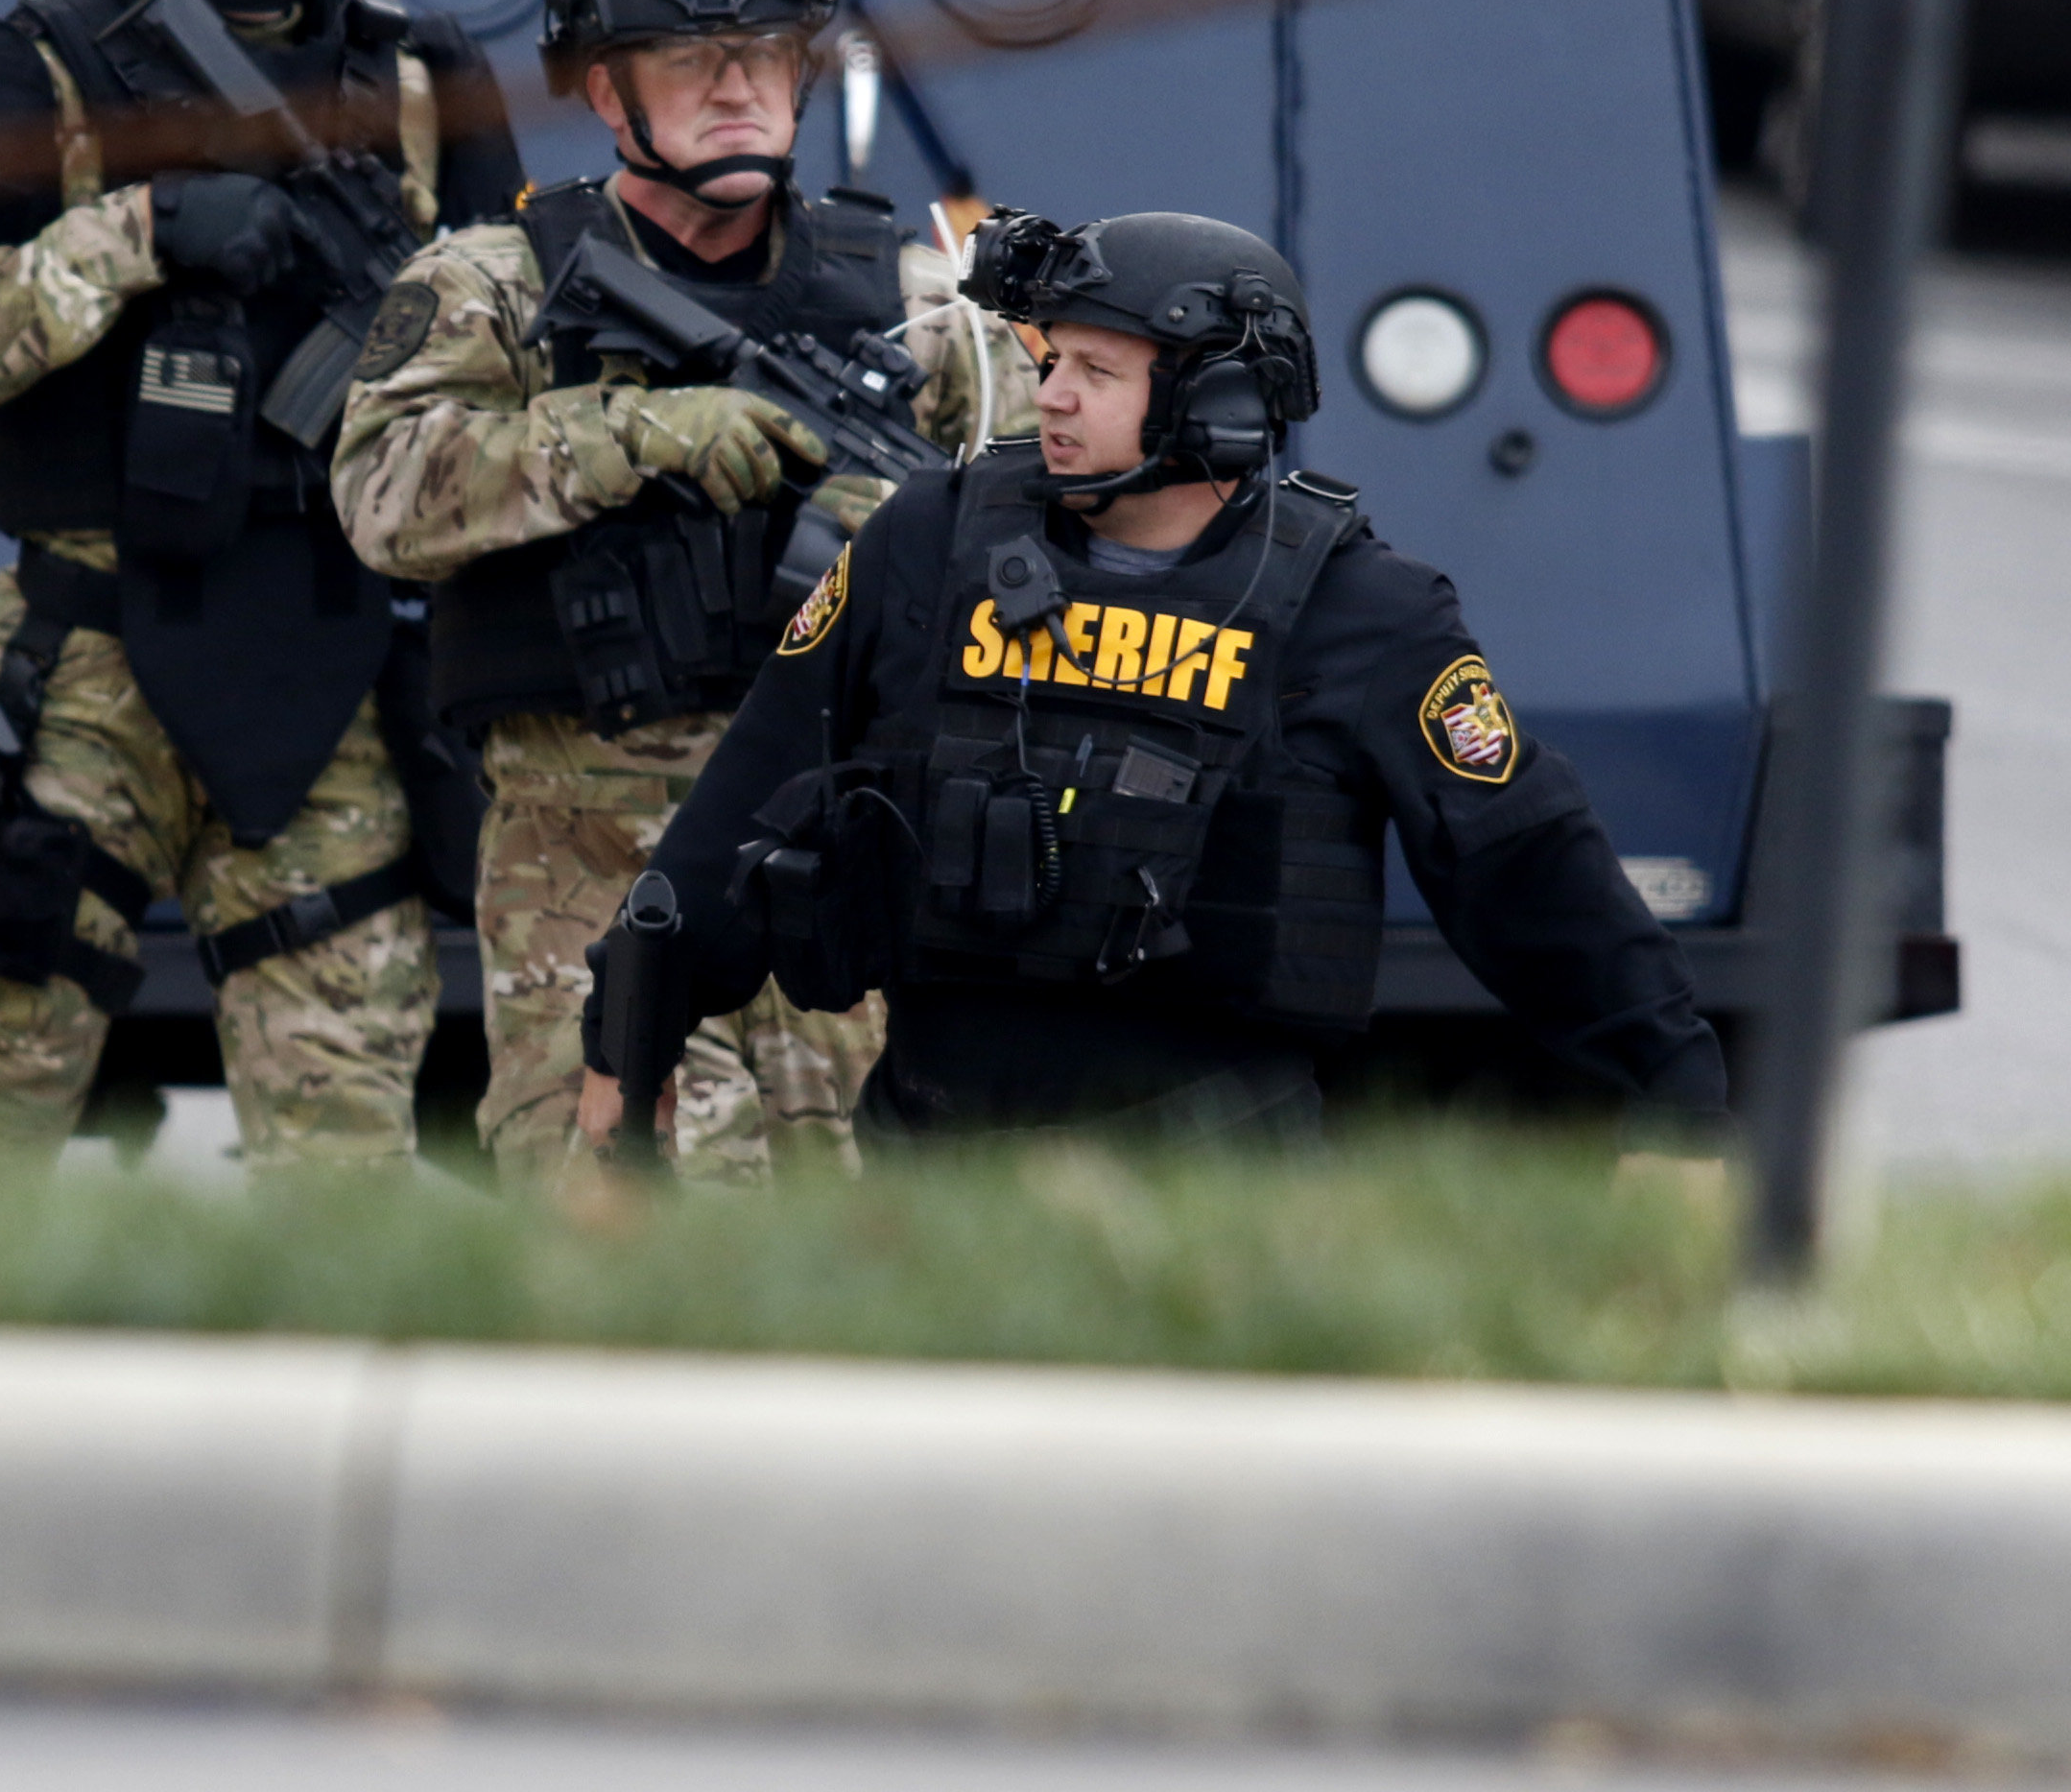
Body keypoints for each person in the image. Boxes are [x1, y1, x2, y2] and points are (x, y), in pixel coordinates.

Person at [579, 206, 1730, 1151]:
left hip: (1215, 1178)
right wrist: (619, 1055)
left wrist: (1675, 1106)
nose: (1055, 396)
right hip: (933, 1160)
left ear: (1217, 403)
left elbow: (1526, 870)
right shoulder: (926, 541)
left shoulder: (1365, 612)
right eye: (1051, 363)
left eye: (1097, 369)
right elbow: (744, 803)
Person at [0, 0, 519, 1172]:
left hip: (324, 648)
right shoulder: (19, 66)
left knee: (346, 1122)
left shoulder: (423, 77)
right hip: (89, 647)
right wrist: (136, 231)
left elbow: (505, 359)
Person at [333, 0, 1022, 1185]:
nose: (734, 88)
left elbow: (1054, 517)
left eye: (766, 58)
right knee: (618, 1238)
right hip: (588, 862)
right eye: (689, 59)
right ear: (604, 89)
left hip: (840, 857)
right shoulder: (495, 285)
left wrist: (919, 542)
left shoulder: (918, 300)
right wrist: (625, 436)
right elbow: (380, 496)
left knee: (851, 1250)